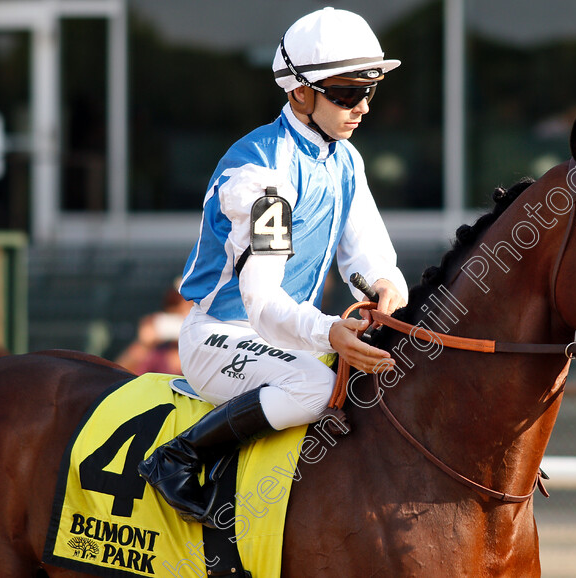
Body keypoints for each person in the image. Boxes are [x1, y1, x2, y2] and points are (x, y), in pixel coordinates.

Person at [138, 7, 409, 524]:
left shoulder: (345, 159)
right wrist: (330, 330)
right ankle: (180, 456)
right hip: (221, 335)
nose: (363, 107)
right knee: (314, 387)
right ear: (298, 92)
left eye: (370, 91)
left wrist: (384, 284)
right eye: (347, 93)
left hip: (287, 338)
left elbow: (368, 249)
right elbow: (261, 303)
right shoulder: (264, 176)